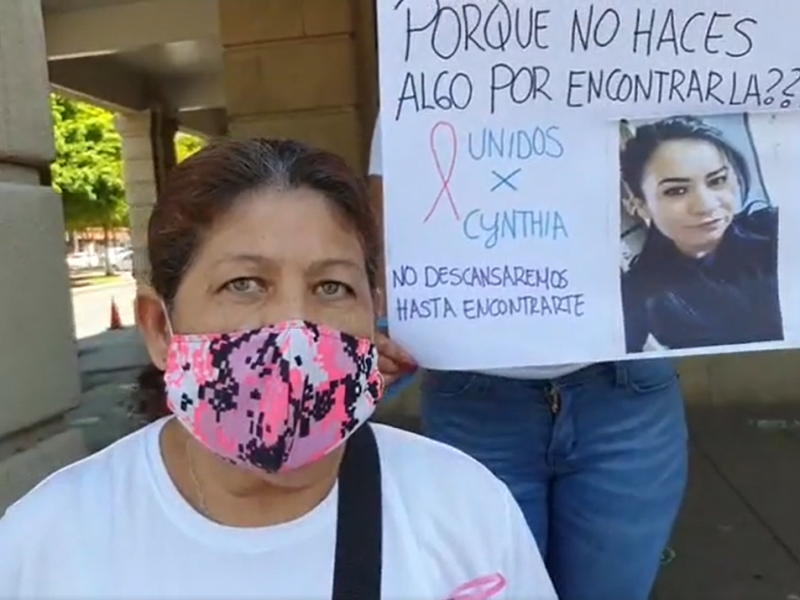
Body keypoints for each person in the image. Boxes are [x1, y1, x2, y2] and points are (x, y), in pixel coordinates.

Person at [0, 139, 556, 599]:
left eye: (332, 287)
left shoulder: (465, 508)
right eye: (244, 285)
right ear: (161, 330)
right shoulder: (47, 545)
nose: (296, 331)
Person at [371, 112, 688, 600]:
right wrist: (386, 322)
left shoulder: (630, 62)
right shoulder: (419, 69)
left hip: (624, 392)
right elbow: (389, 253)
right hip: (477, 398)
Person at [620, 115, 782, 353]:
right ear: (639, 205)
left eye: (717, 181)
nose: (705, 205)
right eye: (676, 190)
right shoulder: (638, 293)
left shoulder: (775, 230)